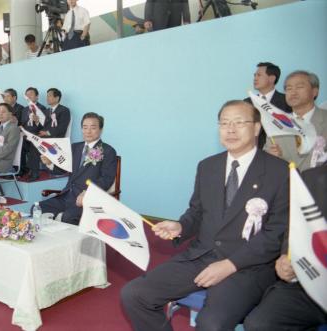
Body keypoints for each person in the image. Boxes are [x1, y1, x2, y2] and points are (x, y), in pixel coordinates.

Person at [121, 100, 289, 331]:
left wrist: (231, 264)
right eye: (224, 123)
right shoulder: (208, 166)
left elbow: (277, 233)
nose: (230, 129)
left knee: (211, 324)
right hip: (202, 255)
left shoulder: (280, 172)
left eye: (239, 123)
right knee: (134, 294)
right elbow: (197, 212)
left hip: (247, 266)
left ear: (257, 128)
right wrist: (181, 226)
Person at [243, 161, 327, 331]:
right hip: (309, 281)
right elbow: (295, 227)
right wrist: (286, 257)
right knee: (259, 323)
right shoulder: (310, 177)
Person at [39, 112, 117, 224]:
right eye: (85, 127)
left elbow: (107, 179)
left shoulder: (108, 151)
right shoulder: (75, 147)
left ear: (100, 129)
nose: (88, 131)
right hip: (66, 195)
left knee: (68, 217)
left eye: (93, 127)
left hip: (86, 199)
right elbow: (62, 169)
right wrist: (50, 163)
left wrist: (88, 192)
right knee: (38, 209)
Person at [265, 70, 327, 171]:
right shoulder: (276, 124)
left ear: (315, 92)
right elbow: (266, 159)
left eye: (299, 87)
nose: (293, 92)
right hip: (285, 183)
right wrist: (270, 157)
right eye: (288, 88)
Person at [244, 62, 292, 149]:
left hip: (279, 151)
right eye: (254, 75)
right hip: (252, 151)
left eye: (259, 75)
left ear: (272, 78)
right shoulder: (247, 102)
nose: (255, 78)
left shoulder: (286, 101)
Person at [27, 88, 71, 180]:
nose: (47, 98)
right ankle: (33, 171)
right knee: (33, 141)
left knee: (36, 144)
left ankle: (35, 173)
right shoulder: (46, 111)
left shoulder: (64, 110)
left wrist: (47, 132)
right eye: (47, 96)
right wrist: (37, 122)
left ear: (57, 98)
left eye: (49, 96)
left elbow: (62, 128)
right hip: (45, 138)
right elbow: (42, 126)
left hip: (57, 138)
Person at [20, 87, 49, 177]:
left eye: (31, 94)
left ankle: (35, 172)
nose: (28, 97)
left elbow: (45, 126)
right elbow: (23, 123)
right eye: (27, 95)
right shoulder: (25, 109)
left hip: (37, 134)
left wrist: (37, 122)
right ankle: (22, 169)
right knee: (16, 142)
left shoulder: (42, 108)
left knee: (34, 142)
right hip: (26, 135)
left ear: (37, 97)